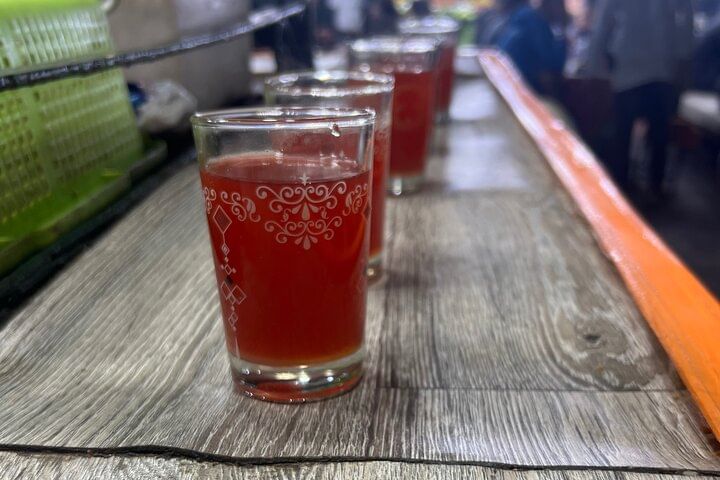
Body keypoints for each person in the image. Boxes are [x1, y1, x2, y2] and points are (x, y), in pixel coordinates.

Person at [581, 0, 694, 196]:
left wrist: (592, 69)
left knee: (625, 135)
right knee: (657, 136)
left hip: (631, 67)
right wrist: (682, 60)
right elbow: (686, 25)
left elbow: (603, 24)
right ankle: (651, 188)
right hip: (659, 68)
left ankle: (622, 189)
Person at [491, 0, 566, 96]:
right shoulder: (531, 19)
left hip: (508, 90)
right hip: (526, 90)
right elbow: (551, 62)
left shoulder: (510, 20)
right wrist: (563, 43)